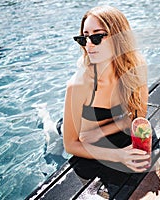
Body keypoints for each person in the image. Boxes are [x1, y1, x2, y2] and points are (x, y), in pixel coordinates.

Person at [63, 5, 151, 176]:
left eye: (97, 37)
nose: (88, 45)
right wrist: (119, 155)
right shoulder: (79, 86)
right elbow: (71, 144)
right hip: (78, 137)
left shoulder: (135, 72)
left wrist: (99, 132)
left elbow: (138, 117)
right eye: (84, 38)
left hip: (97, 135)